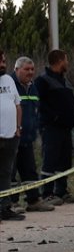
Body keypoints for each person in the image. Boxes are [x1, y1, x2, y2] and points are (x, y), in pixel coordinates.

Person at [35, 49, 74, 205]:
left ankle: (61, 191)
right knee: (50, 160)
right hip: (51, 128)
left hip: (65, 128)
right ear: (60, 60)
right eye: (66, 60)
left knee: (64, 161)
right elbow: (39, 103)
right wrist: (54, 117)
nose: (67, 63)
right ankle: (46, 193)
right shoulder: (43, 80)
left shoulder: (64, 80)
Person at [9, 56, 53, 212]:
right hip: (11, 137)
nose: (30, 72)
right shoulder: (9, 86)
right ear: (16, 69)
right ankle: (10, 203)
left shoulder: (33, 87)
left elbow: (36, 111)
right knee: (10, 172)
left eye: (32, 69)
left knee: (30, 171)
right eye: (26, 69)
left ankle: (33, 200)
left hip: (28, 137)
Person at [0, 50, 23, 221]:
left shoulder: (8, 80)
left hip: (10, 137)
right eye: (0, 61)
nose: (3, 64)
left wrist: (17, 128)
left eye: (3, 60)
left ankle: (5, 208)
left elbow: (17, 105)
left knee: (6, 173)